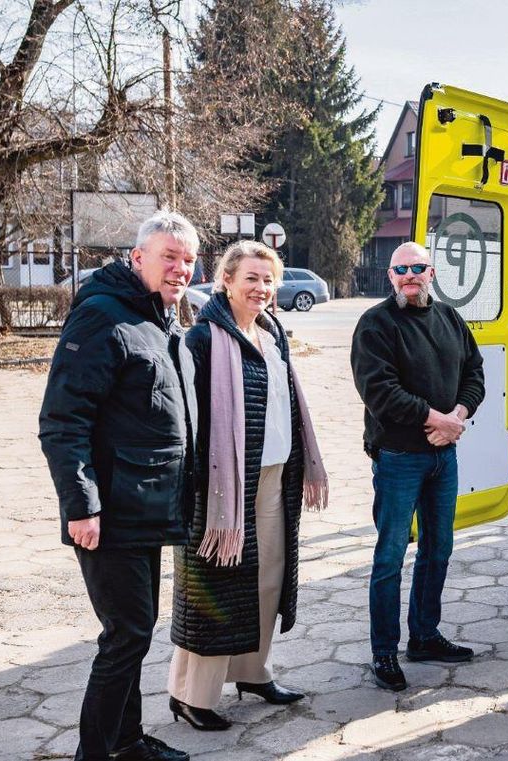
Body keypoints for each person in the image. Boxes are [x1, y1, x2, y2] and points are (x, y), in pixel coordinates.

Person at [38, 211, 200, 761]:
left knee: (137, 628)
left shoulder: (156, 319)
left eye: (188, 259)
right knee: (126, 633)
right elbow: (64, 421)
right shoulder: (102, 318)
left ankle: (127, 740)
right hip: (108, 511)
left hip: (146, 507)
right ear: (138, 258)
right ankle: (97, 751)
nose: (180, 269)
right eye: (169, 257)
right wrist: (81, 506)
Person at [167, 241, 328, 730]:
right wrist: (196, 490)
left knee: (268, 581)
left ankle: (254, 672)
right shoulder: (203, 339)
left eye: (268, 279)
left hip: (277, 475)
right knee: (215, 587)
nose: (261, 288)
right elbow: (188, 423)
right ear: (227, 281)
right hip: (222, 490)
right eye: (252, 278)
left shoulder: (272, 332)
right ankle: (191, 696)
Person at [350, 241, 485, 691]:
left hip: (443, 455)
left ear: (432, 273)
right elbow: (379, 391)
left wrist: (458, 419)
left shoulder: (449, 318)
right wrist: (436, 419)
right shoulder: (375, 324)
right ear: (391, 277)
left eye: (418, 268)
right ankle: (384, 652)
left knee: (438, 549)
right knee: (389, 557)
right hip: (398, 458)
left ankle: (424, 636)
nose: (409, 275)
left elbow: (475, 373)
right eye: (400, 269)